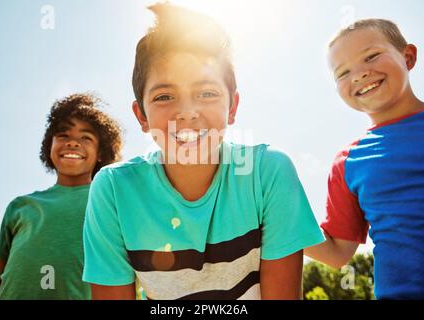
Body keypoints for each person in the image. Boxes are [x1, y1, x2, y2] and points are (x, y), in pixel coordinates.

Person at [82, 3, 324, 300]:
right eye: (164, 96)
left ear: (232, 106)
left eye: (207, 93)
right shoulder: (114, 189)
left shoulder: (267, 173)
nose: (187, 112)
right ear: (141, 116)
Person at [305, 19, 424, 299]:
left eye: (371, 56)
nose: (359, 74)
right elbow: (337, 252)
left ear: (408, 57)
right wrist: (271, 221)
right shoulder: (349, 162)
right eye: (342, 72)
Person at [0, 93, 123, 299]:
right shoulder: (21, 206)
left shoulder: (112, 200)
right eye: (63, 135)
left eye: (86, 137)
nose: (73, 143)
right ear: (49, 146)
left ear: (100, 152)